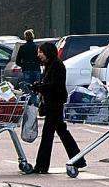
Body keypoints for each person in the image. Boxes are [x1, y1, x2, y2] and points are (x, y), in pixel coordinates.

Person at [30, 42, 85, 174]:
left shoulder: (57, 66)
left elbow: (55, 85)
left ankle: (41, 165)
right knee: (62, 132)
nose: (39, 55)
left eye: (41, 52)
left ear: (48, 52)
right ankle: (78, 160)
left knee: (48, 135)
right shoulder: (49, 65)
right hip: (51, 103)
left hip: (55, 104)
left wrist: (39, 87)